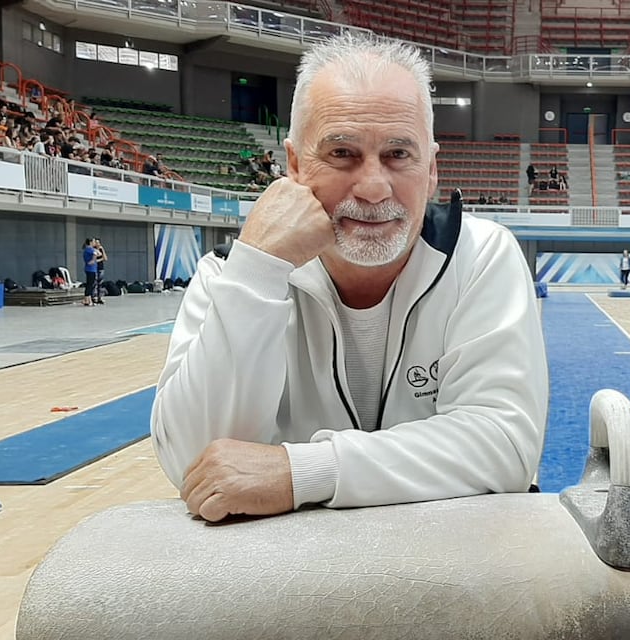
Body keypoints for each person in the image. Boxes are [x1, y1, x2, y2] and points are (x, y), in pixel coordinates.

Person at [150, 33, 547, 524]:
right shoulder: (227, 277)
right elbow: (196, 465)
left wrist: (303, 472)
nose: (375, 187)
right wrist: (257, 270)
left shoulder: (480, 256)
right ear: (294, 165)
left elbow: (503, 445)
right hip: (296, 581)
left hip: (451, 572)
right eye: (342, 153)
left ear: (432, 170)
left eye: (399, 155)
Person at [82, 238, 97, 306]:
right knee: (90, 285)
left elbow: (97, 253)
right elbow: (96, 253)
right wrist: (93, 259)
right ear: (90, 242)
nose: (95, 243)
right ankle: (87, 299)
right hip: (90, 269)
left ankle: (87, 299)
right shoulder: (89, 249)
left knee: (90, 284)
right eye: (94, 242)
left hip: (90, 269)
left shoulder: (89, 249)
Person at [92, 238, 108, 304]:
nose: (97, 244)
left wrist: (102, 249)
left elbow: (105, 258)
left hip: (101, 268)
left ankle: (100, 297)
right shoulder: (93, 250)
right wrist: (101, 259)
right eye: (96, 242)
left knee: (100, 283)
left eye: (98, 242)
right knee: (94, 283)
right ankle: (94, 297)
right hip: (95, 268)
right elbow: (95, 260)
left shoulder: (100, 249)